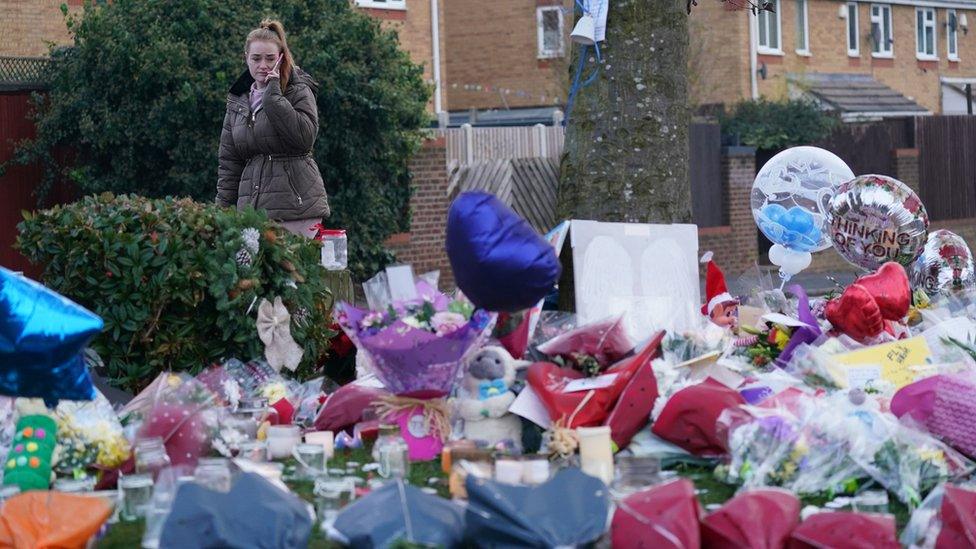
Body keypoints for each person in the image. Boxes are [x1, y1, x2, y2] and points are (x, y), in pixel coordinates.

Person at [216, 19, 329, 238]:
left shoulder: (297, 90)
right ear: (246, 59)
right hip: (252, 214)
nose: (263, 65)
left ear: (280, 59)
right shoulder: (238, 101)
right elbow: (229, 164)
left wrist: (274, 95)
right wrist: (222, 213)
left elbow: (304, 138)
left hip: (297, 211)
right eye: (256, 58)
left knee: (297, 273)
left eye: (270, 58)